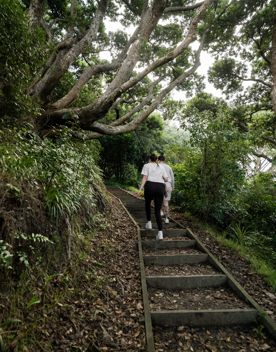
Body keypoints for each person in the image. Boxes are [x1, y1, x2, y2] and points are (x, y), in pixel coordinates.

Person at [139, 154, 168, 240]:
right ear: (156, 159)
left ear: (149, 159)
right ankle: (160, 233)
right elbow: (166, 179)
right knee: (157, 210)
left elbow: (145, 177)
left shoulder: (146, 165)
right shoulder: (162, 167)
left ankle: (149, 223)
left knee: (147, 204)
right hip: (160, 187)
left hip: (150, 186)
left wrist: (141, 188)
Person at [158, 154, 174, 224]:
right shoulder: (169, 167)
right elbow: (172, 178)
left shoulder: (157, 166)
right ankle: (167, 218)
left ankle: (160, 212)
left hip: (160, 185)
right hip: (168, 185)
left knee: (159, 200)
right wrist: (172, 186)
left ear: (158, 160)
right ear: (164, 160)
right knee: (166, 202)